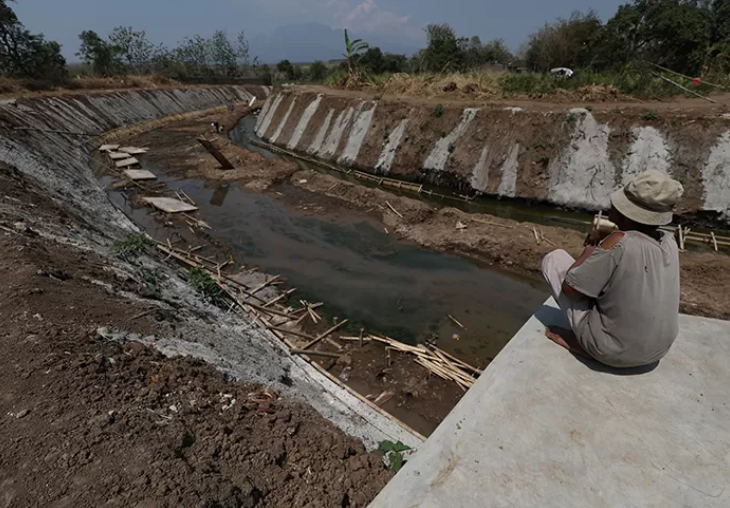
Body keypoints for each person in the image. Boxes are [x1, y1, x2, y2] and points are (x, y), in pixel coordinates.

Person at [541, 169, 684, 368]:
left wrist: (590, 251)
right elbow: (634, 243)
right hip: (657, 352)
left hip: (611, 352)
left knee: (554, 259)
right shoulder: (669, 242)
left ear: (627, 214)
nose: (612, 207)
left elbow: (570, 290)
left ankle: (588, 346)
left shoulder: (618, 242)